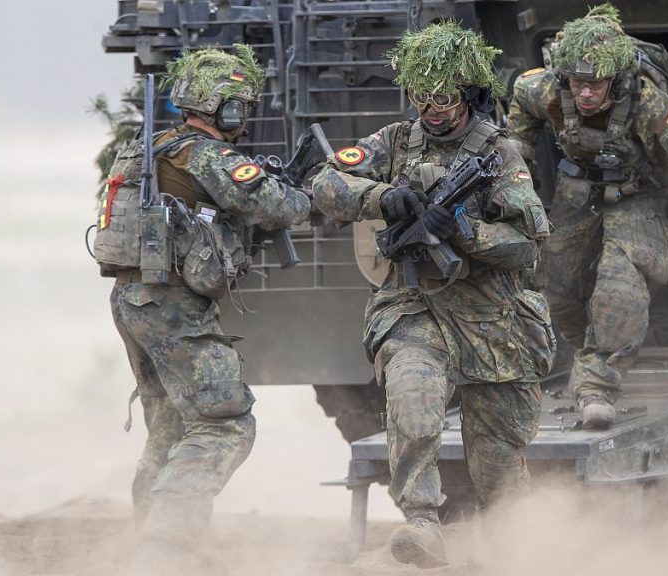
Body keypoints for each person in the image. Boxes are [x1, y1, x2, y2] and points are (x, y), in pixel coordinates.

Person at [311, 22, 555, 568]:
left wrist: (463, 232)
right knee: (413, 402)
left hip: (492, 319)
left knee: (497, 464)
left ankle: (516, 551)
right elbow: (325, 184)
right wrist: (384, 196)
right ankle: (423, 524)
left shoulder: (500, 155)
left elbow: (527, 246)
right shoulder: (395, 141)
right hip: (414, 306)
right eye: (421, 98)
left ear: (466, 94)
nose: (432, 109)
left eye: (443, 98)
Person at [93, 45, 310, 569]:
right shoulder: (208, 156)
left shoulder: (145, 147)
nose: (244, 116)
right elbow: (283, 207)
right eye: (240, 105)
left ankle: (148, 543)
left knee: (169, 426)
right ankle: (169, 548)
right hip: (171, 304)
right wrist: (296, 190)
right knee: (225, 422)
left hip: (132, 298)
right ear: (225, 108)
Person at [507, 4, 668, 429]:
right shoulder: (545, 90)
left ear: (614, 77)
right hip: (578, 192)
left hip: (638, 197)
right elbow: (518, 127)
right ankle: (596, 349)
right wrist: (518, 169)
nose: (586, 94)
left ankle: (597, 387)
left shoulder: (648, 105)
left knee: (619, 284)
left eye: (596, 84)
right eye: (578, 83)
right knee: (554, 288)